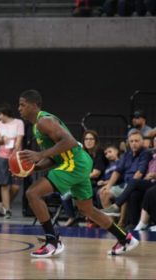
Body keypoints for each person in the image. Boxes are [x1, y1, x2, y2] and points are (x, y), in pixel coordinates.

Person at [17, 89, 139, 258]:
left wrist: (40, 154)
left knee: (32, 193)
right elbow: (55, 157)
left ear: (34, 105)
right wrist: (33, 168)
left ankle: (53, 241)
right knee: (87, 209)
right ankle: (125, 238)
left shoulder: (44, 121)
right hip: (77, 163)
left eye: (22, 105)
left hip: (75, 163)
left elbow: (70, 141)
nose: (19, 108)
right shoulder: (38, 127)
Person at [0, 104, 24, 219]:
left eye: (0, 115)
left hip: (15, 156)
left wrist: (15, 150)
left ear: (5, 113)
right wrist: (3, 139)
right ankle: (7, 210)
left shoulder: (18, 123)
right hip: (2, 156)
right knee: (4, 184)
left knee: (16, 186)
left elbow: (19, 139)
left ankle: (5, 204)